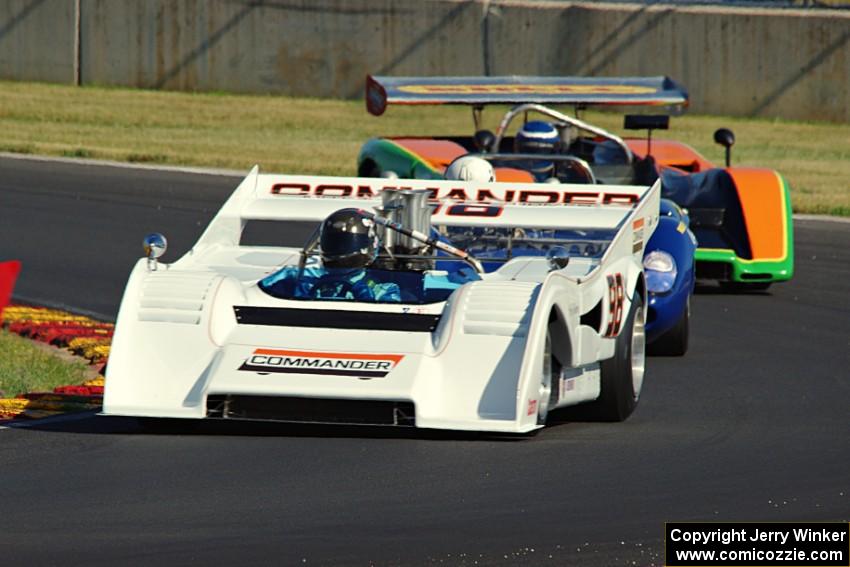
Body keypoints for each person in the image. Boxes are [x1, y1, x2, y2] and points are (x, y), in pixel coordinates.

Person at [260, 209, 401, 302]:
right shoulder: (300, 277)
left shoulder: (385, 290)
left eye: (347, 243)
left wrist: (367, 299)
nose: (341, 249)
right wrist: (300, 292)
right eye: (335, 242)